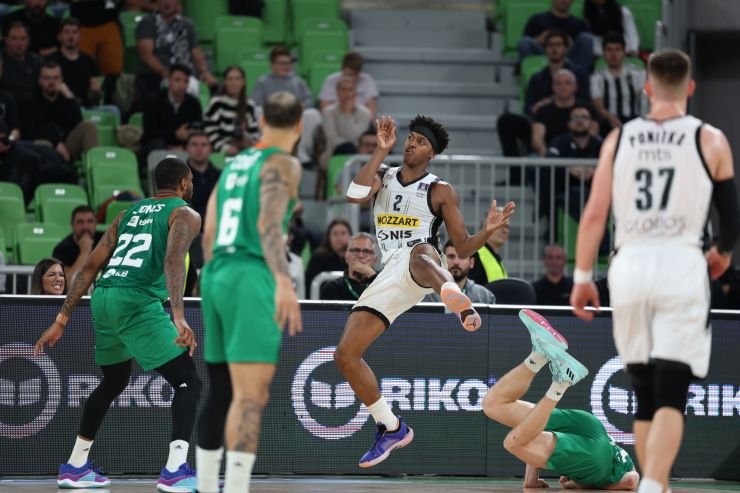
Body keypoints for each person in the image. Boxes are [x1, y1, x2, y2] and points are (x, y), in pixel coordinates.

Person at [570, 49, 740, 493]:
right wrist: (722, 253)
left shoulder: (619, 138)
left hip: (629, 265)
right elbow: (732, 217)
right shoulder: (710, 139)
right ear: (690, 88)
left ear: (647, 88)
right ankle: (653, 484)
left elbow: (594, 214)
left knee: (644, 386)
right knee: (672, 388)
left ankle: (654, 482)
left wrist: (583, 277)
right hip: (682, 264)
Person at [334, 115, 515, 467]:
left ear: (431, 153)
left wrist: (486, 232)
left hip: (424, 263)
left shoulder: (440, 190)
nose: (411, 144)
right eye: (410, 138)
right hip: (390, 274)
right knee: (345, 355)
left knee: (420, 251)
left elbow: (462, 247)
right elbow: (353, 195)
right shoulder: (383, 175)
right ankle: (391, 426)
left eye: (420, 141)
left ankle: (454, 297)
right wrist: (379, 150)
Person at [34, 157, 203, 491]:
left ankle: (75, 466)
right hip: (136, 300)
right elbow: (173, 259)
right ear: (184, 183)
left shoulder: (127, 214)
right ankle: (176, 471)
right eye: (192, 181)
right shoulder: (185, 213)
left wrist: (61, 319)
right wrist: (179, 316)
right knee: (188, 383)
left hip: (103, 297)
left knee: (114, 380)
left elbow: (90, 266)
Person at [196, 91, 303, 493]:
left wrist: (217, 276)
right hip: (251, 274)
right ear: (300, 126)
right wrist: (282, 280)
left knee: (221, 390)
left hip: (216, 273)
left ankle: (207, 486)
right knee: (250, 396)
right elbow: (269, 224)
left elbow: (209, 229)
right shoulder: (284, 163)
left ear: (261, 122)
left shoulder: (235, 163)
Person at [483, 309, 640, 490]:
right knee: (513, 443)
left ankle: (539, 354)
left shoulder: (619, 456)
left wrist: (531, 481)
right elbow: (631, 480)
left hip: (590, 425)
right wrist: (580, 485)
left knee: (493, 404)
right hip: (595, 459)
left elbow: (536, 428)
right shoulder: (614, 469)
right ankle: (561, 384)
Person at [251, 45, 322, 167]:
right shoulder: (263, 82)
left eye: (288, 63)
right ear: (272, 64)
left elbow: (309, 100)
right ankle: (266, 147)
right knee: (257, 111)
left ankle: (301, 151)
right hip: (272, 117)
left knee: (312, 114)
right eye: (281, 63)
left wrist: (300, 106)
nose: (285, 66)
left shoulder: (298, 81)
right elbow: (256, 103)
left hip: (294, 116)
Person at [135, 0, 216, 105]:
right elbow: (146, 55)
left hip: (185, 75)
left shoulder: (187, 24)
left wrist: (204, 72)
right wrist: (166, 74)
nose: (167, 3)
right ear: (157, 2)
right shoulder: (147, 22)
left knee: (206, 87)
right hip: (157, 76)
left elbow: (196, 52)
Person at [23, 60, 99, 163]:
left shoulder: (66, 99)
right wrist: (56, 143)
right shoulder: (30, 100)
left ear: (61, 79)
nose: (52, 82)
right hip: (45, 143)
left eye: (56, 78)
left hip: (67, 145)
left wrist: (70, 97)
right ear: (40, 80)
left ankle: (96, 167)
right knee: (42, 144)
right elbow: (30, 132)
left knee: (89, 126)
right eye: (47, 78)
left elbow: (77, 123)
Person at [141, 63, 203, 156]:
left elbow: (198, 128)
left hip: (184, 145)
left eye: (185, 81)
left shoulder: (193, 103)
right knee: (157, 145)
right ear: (169, 80)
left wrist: (185, 144)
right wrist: (175, 134)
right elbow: (150, 132)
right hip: (158, 144)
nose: (182, 85)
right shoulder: (153, 101)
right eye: (177, 80)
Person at [591, 33, 646, 134]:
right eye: (609, 50)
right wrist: (610, 118)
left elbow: (644, 99)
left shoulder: (638, 74)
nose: (613, 54)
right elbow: (598, 105)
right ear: (603, 53)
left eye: (618, 49)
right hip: (608, 123)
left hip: (634, 121)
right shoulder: (597, 78)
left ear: (624, 52)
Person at [518, 0, 593, 70]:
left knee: (586, 38)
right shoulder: (537, 20)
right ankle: (536, 77)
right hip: (543, 58)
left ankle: (580, 76)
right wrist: (539, 39)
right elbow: (525, 44)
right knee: (525, 42)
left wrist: (570, 44)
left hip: (570, 60)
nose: (564, 0)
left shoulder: (581, 24)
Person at [204, 65, 260, 156]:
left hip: (245, 152)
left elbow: (254, 133)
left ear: (243, 82)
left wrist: (248, 140)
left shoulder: (249, 104)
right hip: (220, 153)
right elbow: (209, 131)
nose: (234, 83)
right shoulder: (216, 103)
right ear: (225, 82)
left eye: (237, 79)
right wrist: (226, 148)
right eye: (230, 79)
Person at [320, 75, 373, 168]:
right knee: (347, 148)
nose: (346, 93)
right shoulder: (328, 112)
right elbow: (332, 139)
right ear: (337, 92)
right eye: (343, 89)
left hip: (357, 154)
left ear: (355, 92)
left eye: (350, 89)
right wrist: (349, 145)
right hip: (333, 153)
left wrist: (348, 114)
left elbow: (359, 139)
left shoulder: (365, 113)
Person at [49, 17, 102, 108]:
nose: (71, 36)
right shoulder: (51, 61)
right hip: (61, 107)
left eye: (74, 32)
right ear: (59, 37)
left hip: (86, 107)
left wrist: (96, 92)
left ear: (79, 36)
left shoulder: (89, 60)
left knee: (113, 110)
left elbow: (96, 99)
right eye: (67, 32)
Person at [423, 240, 495, 304]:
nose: (456, 262)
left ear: (471, 263)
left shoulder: (486, 297)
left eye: (462, 257)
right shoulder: (426, 295)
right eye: (451, 256)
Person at [320, 232, 379, 301]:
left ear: (375, 259)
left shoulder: (385, 284)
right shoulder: (332, 288)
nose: (361, 256)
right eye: (356, 250)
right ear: (346, 256)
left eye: (366, 251)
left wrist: (371, 275)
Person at [319, 51, 379, 118]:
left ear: (359, 72)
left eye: (354, 75)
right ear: (342, 69)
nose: (351, 78)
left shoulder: (367, 80)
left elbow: (372, 112)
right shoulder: (330, 80)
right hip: (336, 118)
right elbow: (324, 109)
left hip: (359, 118)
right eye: (348, 74)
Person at [52, 205, 104, 280]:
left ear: (96, 223)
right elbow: (69, 282)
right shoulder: (62, 249)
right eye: (80, 222)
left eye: (90, 221)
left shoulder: (105, 240)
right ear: (72, 225)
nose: (85, 227)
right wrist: (85, 251)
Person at [0, 22, 42, 110]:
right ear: (6, 40)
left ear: (28, 41)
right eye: (14, 38)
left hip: (32, 109)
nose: (19, 43)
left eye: (23, 38)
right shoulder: (1, 61)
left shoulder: (37, 62)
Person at [304, 218, 352, 290]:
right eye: (335, 234)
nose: (339, 237)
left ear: (350, 236)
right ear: (328, 237)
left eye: (343, 233)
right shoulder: (318, 258)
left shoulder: (357, 258)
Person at [184, 131, 220, 221]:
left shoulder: (220, 176)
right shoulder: (178, 177)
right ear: (187, 149)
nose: (199, 149)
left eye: (204, 145)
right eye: (194, 144)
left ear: (210, 149)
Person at [468, 215, 510, 285]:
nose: (505, 230)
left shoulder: (497, 260)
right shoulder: (474, 254)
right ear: (485, 228)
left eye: (507, 227)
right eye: (500, 225)